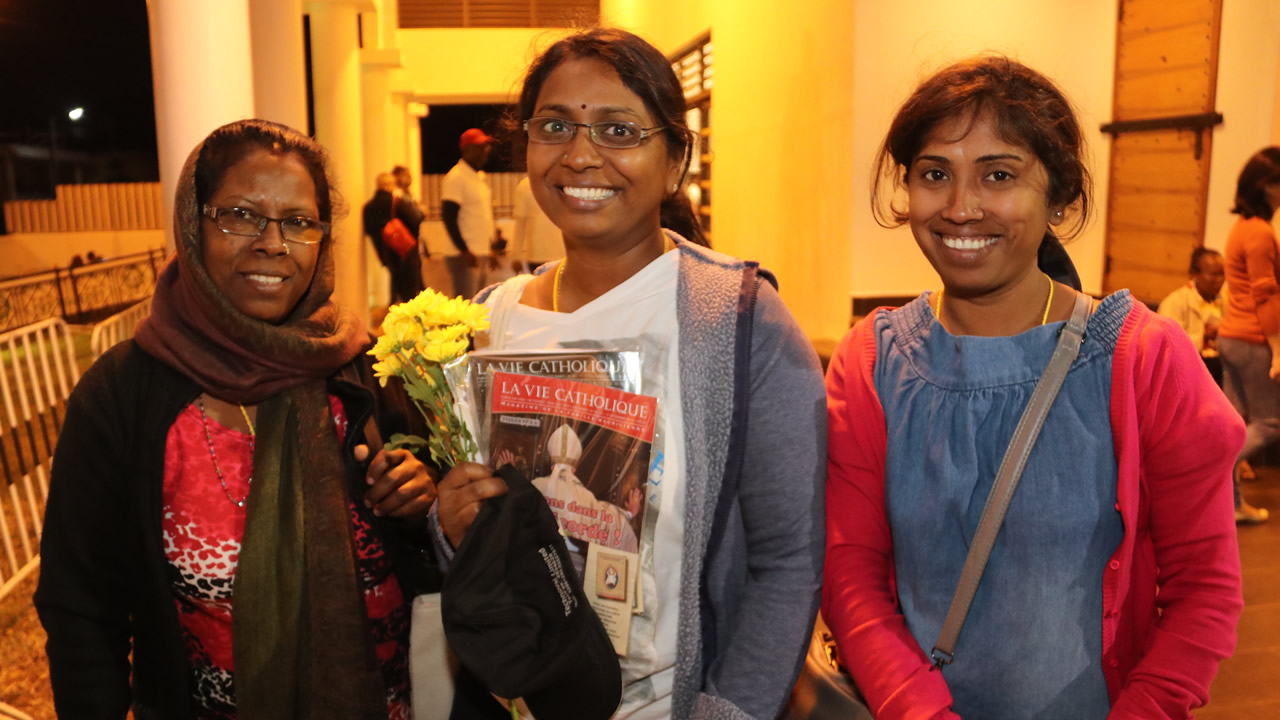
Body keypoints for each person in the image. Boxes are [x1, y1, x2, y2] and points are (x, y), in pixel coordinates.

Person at [824, 57, 1245, 719]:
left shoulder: (1143, 358)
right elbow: (851, 573)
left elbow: (1206, 589)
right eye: (935, 174)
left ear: (1060, 197)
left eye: (999, 174)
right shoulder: (872, 362)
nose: (961, 207)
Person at [432, 28, 826, 720]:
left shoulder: (735, 319)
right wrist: (451, 523)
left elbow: (789, 558)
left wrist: (730, 711)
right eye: (555, 126)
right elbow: (479, 543)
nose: (582, 154)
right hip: (519, 696)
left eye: (619, 130)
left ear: (675, 160)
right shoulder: (488, 320)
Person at [35, 119, 441, 719]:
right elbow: (81, 607)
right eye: (241, 215)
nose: (272, 243)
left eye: (299, 222)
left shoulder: (364, 367)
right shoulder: (124, 393)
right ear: (193, 225)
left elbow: (436, 526)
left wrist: (420, 497)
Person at [1218, 146, 1280, 525]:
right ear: (1265, 186)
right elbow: (1265, 294)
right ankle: (1211, 468)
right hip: (1253, 340)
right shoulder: (1258, 232)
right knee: (1270, 424)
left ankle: (1234, 504)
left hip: (1231, 337)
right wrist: (1279, 348)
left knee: (1236, 425)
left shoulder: (1242, 227)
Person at [441, 128, 496, 299]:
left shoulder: (479, 177)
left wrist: (490, 248)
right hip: (464, 255)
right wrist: (464, 250)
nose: (485, 151)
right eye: (479, 147)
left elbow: (481, 216)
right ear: (466, 149)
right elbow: (449, 216)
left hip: (479, 251)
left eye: (486, 147)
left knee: (479, 305)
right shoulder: (456, 177)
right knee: (466, 306)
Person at [1159, 247, 1226, 383]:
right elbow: (1166, 344)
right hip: (1185, 373)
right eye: (1214, 275)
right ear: (1194, 274)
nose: (1220, 280)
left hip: (1218, 370)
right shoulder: (1175, 302)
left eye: (1222, 274)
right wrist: (1204, 337)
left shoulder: (1225, 302)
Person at [363, 171, 424, 304]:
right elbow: (416, 219)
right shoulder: (396, 202)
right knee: (411, 292)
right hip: (405, 251)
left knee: (396, 285)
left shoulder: (368, 207)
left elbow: (368, 231)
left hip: (386, 254)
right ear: (390, 185)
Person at [512, 175, 563, 272]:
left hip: (536, 255)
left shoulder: (525, 186)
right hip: (561, 255)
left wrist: (516, 256)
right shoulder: (564, 181)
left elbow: (520, 226)